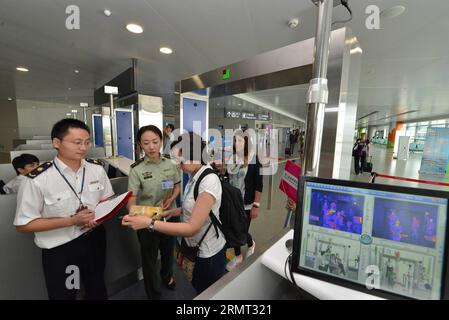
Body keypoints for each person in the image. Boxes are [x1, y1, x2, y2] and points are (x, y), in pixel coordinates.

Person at [14, 118, 114, 300]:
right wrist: (72, 221)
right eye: (77, 142)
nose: (83, 148)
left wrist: (99, 217)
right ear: (57, 143)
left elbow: (107, 199)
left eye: (87, 142)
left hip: (95, 239)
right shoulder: (38, 179)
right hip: (62, 248)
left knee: (96, 288)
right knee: (65, 295)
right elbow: (24, 225)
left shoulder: (96, 170)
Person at [122, 132, 227, 295]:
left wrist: (149, 223)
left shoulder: (208, 180)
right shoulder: (194, 176)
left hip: (208, 251)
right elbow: (194, 205)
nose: (177, 165)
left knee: (205, 292)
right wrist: (176, 211)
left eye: (180, 160)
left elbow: (192, 227)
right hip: (194, 247)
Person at [127, 125, 181, 300]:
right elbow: (132, 197)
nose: (151, 146)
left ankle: (167, 277)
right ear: (140, 145)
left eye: (155, 141)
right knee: (149, 259)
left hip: (169, 215)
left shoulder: (170, 163)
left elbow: (177, 185)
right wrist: (133, 212)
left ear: (161, 141)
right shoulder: (137, 169)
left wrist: (172, 196)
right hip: (147, 218)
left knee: (168, 251)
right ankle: (153, 294)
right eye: (146, 143)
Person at [224, 129, 263, 271]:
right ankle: (239, 256)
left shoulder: (253, 159)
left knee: (241, 230)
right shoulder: (232, 158)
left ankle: (251, 243)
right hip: (232, 201)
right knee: (234, 229)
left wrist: (256, 206)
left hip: (247, 203)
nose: (236, 143)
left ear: (246, 142)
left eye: (240, 140)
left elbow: (259, 184)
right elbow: (229, 178)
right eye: (235, 140)